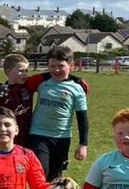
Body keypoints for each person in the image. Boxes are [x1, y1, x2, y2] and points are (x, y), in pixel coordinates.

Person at [27, 46, 89, 181]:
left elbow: (82, 118)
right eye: (52, 66)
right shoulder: (42, 82)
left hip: (62, 137)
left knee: (55, 177)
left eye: (61, 66)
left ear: (71, 65)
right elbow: (18, 85)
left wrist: (83, 144)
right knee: (41, 172)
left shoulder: (77, 88)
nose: (56, 70)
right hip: (38, 134)